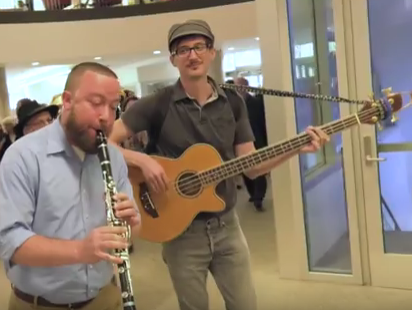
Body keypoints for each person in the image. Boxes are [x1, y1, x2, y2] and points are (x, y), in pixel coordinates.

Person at [108, 20, 329, 310]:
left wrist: (298, 148)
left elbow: (250, 165)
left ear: (212, 52)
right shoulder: (156, 104)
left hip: (227, 225)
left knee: (245, 305)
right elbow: (107, 142)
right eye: (183, 49)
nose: (192, 55)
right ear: (173, 59)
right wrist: (142, 160)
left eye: (199, 46)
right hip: (179, 233)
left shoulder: (234, 103)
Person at [0, 62, 140, 310]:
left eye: (113, 107)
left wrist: (131, 224)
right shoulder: (23, 156)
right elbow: (8, 241)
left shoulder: (114, 158)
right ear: (68, 101)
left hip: (104, 297)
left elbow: (131, 232)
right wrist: (80, 250)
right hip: (40, 305)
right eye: (95, 102)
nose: (106, 116)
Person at [0, 99, 58, 205]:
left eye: (49, 120)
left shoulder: (62, 151)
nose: (48, 126)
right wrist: (23, 186)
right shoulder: (15, 157)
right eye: (40, 122)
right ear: (27, 130)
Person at [233, 77, 269, 212]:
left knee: (259, 171)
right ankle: (253, 194)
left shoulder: (256, 103)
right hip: (240, 141)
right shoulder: (233, 105)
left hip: (257, 139)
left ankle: (259, 198)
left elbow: (262, 122)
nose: (237, 89)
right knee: (245, 170)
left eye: (239, 86)